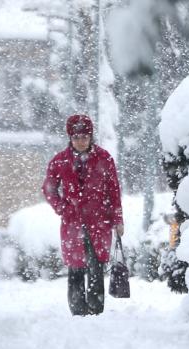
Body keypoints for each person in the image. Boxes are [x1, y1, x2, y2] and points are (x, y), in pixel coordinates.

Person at [42, 114, 124, 316]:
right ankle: (78, 310)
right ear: (70, 138)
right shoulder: (59, 161)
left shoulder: (104, 159)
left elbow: (114, 191)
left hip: (99, 221)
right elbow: (49, 189)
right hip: (72, 223)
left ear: (91, 137)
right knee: (76, 266)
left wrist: (118, 219)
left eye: (85, 137)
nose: (81, 141)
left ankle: (96, 309)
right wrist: (63, 208)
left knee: (96, 266)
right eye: (77, 137)